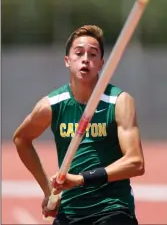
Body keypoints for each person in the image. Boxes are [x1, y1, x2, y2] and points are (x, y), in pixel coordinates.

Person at [13, 25, 145, 225]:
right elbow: (21, 139)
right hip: (70, 211)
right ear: (67, 60)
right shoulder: (53, 105)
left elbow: (136, 162)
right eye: (78, 53)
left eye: (93, 54)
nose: (85, 59)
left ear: (101, 64)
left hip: (113, 209)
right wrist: (49, 192)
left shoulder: (118, 102)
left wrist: (82, 179)